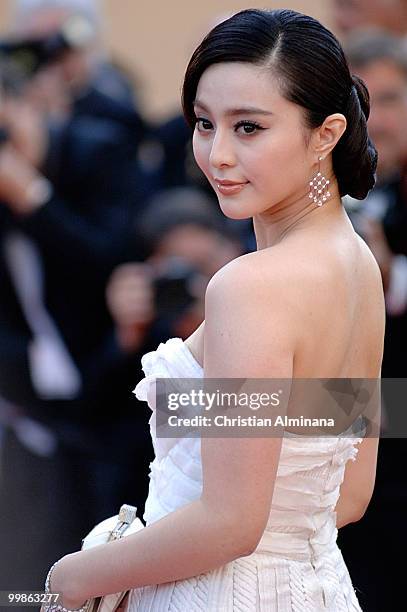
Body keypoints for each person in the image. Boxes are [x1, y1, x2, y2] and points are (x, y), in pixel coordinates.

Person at [41, 9, 384, 611]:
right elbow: (349, 491)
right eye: (204, 123)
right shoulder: (358, 267)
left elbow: (230, 522)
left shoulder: (250, 286)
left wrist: (79, 572)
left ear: (326, 134)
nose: (218, 154)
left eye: (249, 127)